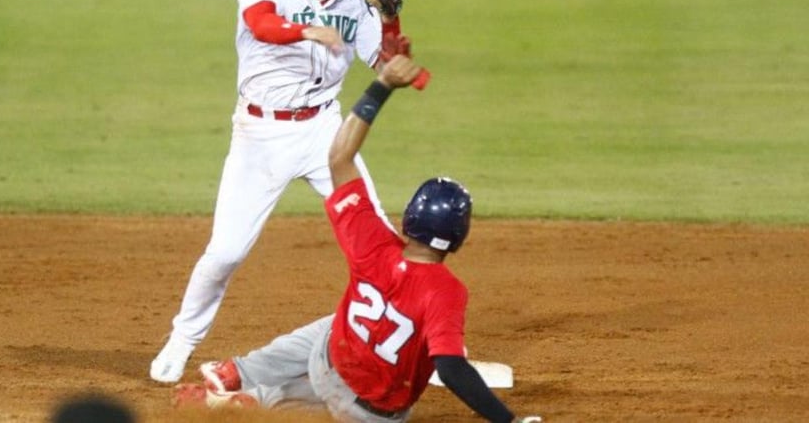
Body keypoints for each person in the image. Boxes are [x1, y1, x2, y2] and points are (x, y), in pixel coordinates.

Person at [173, 55, 542, 422]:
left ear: (411, 217)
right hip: (362, 412)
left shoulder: (373, 242)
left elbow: (339, 155)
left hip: (327, 359)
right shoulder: (446, 291)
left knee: (339, 324)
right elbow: (450, 368)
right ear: (459, 235)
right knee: (379, 376)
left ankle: (243, 381)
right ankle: (259, 396)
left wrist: (382, 84)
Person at [149, 0, 404, 384]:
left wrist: (390, 15)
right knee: (225, 252)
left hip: (326, 132)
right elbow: (260, 23)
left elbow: (388, 62)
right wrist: (310, 32)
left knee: (378, 240)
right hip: (260, 134)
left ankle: (404, 341)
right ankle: (182, 340)